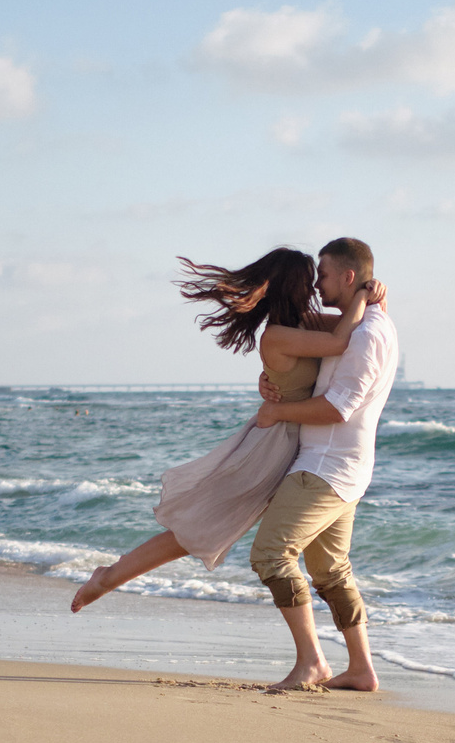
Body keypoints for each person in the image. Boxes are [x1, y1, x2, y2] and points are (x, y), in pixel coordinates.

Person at [68, 248, 374, 612]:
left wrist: (370, 301)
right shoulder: (277, 334)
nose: (313, 286)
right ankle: (108, 576)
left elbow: (350, 329)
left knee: (208, 529)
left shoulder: (303, 324)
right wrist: (363, 294)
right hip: (270, 446)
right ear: (292, 286)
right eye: (308, 280)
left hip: (295, 444)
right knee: (202, 527)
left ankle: (111, 574)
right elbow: (341, 340)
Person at [247, 237, 399, 692]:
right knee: (331, 571)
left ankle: (312, 663)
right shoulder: (364, 325)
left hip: (326, 468)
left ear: (348, 277)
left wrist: (277, 412)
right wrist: (272, 380)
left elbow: (337, 408)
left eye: (325, 274)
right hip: (340, 467)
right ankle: (361, 670)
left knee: (271, 555)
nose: (318, 283)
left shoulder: (368, 335)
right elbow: (313, 344)